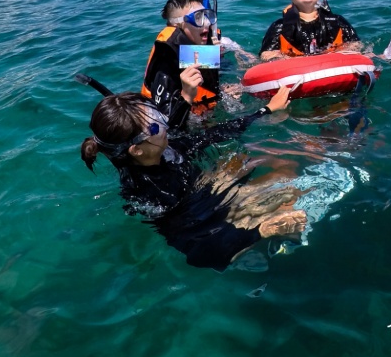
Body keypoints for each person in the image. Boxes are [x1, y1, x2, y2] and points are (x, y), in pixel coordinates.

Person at [81, 74, 308, 270]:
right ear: (136, 150)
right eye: (155, 125)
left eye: (156, 113)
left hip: (205, 193)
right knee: (291, 191)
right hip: (211, 230)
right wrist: (262, 230)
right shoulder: (154, 191)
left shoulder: (160, 150)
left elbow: (216, 134)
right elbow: (198, 246)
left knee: (264, 161)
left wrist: (266, 109)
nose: (164, 124)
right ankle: (284, 252)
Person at [141, 0, 221, 116]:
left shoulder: (196, 48)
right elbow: (165, 126)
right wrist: (187, 96)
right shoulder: (166, 60)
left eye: (206, 16)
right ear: (177, 24)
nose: (207, 23)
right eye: (198, 17)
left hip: (206, 112)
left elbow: (212, 81)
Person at [260, 0, 360, 59]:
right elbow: (266, 55)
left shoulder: (337, 21)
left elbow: (356, 45)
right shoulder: (280, 26)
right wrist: (285, 58)